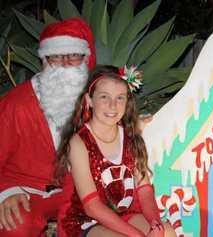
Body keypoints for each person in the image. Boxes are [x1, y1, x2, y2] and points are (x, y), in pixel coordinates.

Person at [0, 17, 96, 236]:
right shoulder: (16, 104)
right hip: (27, 191)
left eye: (73, 55)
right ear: (44, 60)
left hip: (81, 191)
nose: (64, 63)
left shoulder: (97, 101)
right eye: (55, 56)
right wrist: (5, 192)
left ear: (86, 60)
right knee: (15, 223)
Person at [56, 65, 176, 237]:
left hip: (124, 215)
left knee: (167, 233)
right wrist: (137, 235)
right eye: (104, 97)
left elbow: (144, 189)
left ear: (127, 101)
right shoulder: (78, 142)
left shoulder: (130, 137)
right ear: (89, 100)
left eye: (120, 98)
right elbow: (92, 206)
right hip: (83, 221)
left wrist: (155, 224)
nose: (113, 105)